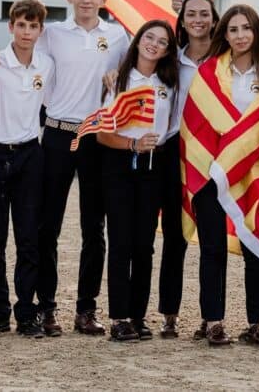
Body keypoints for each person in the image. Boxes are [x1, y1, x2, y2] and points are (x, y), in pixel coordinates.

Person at [0, 0, 128, 338]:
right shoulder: (53, 34)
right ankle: (45, 308)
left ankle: (86, 308)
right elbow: (19, 52)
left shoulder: (119, 35)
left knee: (95, 228)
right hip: (58, 137)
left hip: (97, 138)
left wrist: (119, 76)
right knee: (46, 228)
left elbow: (135, 68)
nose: (87, 0)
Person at [184, 5, 259, 347]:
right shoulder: (208, 72)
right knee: (213, 249)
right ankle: (213, 321)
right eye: (233, 29)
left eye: (247, 28)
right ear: (224, 34)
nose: (240, 35)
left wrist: (242, 156)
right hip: (212, 173)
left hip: (256, 173)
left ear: (256, 32)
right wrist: (218, 166)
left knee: (258, 249)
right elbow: (195, 123)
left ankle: (257, 322)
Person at [0, 0, 54, 339]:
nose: (27, 32)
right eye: (21, 25)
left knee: (28, 238)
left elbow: (54, 102)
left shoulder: (46, 65)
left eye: (33, 26)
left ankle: (27, 314)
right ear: (10, 26)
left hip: (30, 155)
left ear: (40, 30)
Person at [95, 20, 179, 342]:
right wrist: (132, 144)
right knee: (121, 243)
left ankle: (137, 316)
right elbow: (103, 135)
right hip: (119, 164)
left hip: (153, 167)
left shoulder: (169, 83)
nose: (153, 44)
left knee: (144, 245)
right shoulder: (119, 80)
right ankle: (118, 317)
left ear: (168, 49)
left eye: (162, 41)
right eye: (149, 37)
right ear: (138, 40)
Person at [157, 0, 218, 338]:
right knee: (175, 237)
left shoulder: (224, 60)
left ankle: (210, 317)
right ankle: (169, 313)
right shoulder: (171, 61)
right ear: (181, 19)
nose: (197, 20)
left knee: (210, 238)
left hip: (211, 156)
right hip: (172, 153)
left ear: (213, 18)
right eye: (190, 14)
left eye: (204, 14)